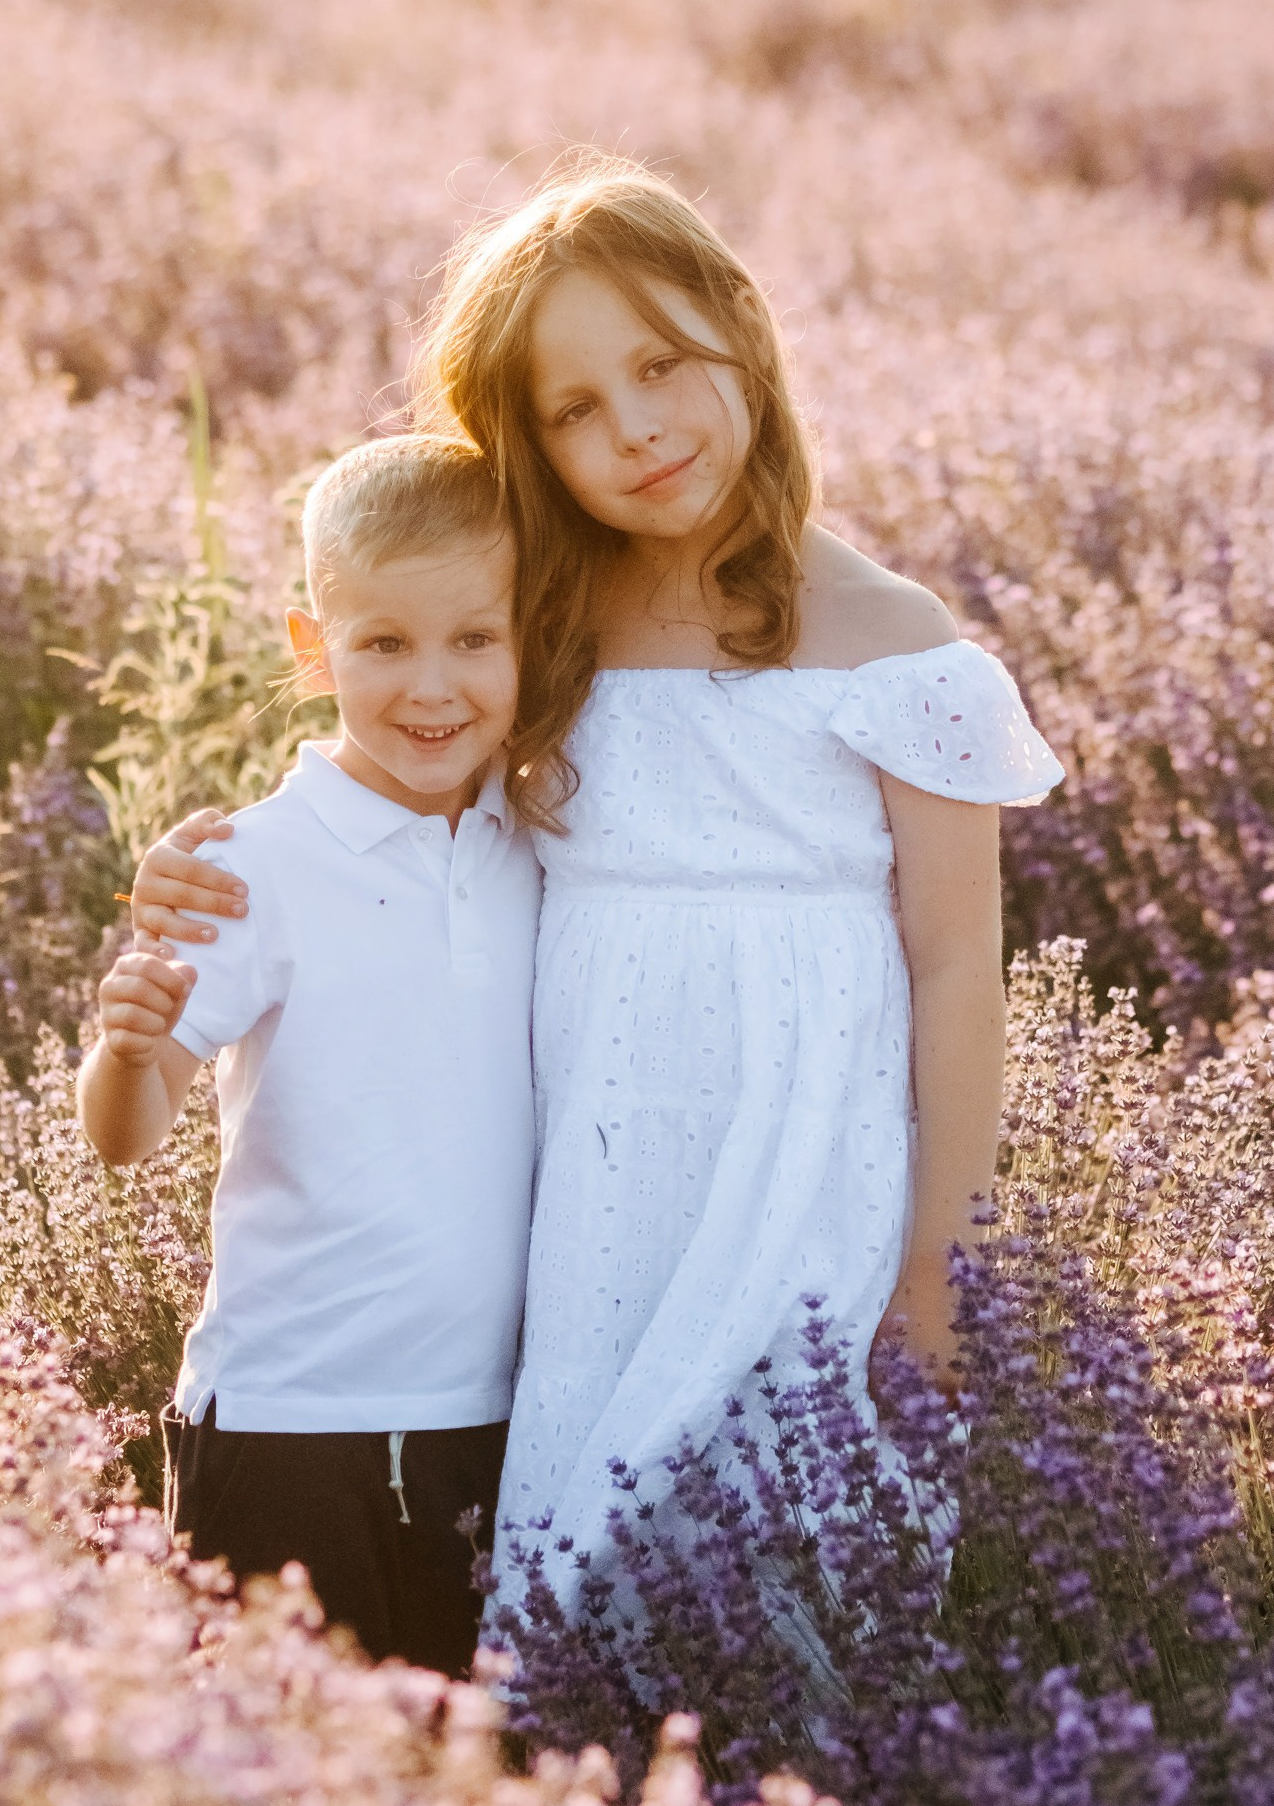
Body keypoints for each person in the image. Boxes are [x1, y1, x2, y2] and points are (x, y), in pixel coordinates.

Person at [129, 158, 1060, 1628]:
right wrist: (211, 863)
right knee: (590, 1594)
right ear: (527, 442)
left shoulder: (894, 642)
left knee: (799, 1590)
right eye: (571, 408)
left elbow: (955, 966)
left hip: (805, 1180)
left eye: (660, 364)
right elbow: (400, 752)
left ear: (742, 334)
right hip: (597, 1198)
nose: (634, 426)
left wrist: (936, 1270)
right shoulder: (549, 628)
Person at [79, 434, 540, 1672]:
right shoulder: (249, 868)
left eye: (474, 639)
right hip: (288, 1434)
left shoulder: (542, 843)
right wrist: (124, 1050)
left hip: (493, 1430)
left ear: (528, 638)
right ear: (310, 648)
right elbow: (126, 1135)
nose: (431, 686)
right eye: (383, 643)